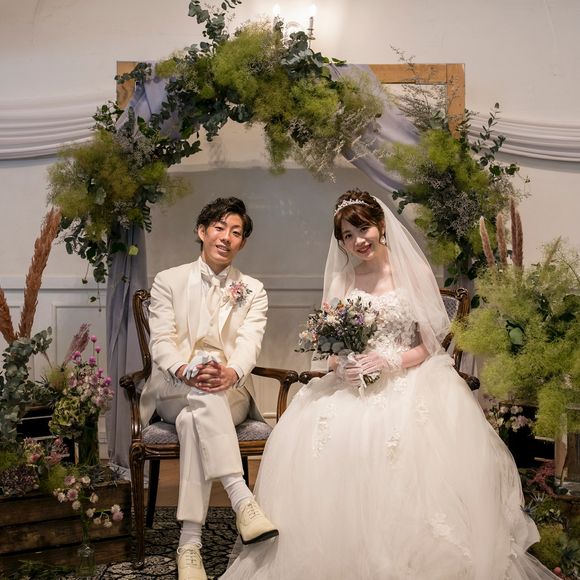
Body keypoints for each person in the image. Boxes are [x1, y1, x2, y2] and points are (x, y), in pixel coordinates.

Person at [222, 190, 558, 580]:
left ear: (381, 226)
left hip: (409, 379)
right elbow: (329, 349)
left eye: (362, 229)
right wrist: (343, 366)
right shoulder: (343, 280)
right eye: (347, 236)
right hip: (351, 384)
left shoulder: (412, 274)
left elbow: (430, 346)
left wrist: (388, 361)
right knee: (327, 433)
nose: (357, 241)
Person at [139, 197, 278, 580]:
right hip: (174, 386)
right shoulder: (168, 280)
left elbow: (249, 343)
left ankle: (189, 544)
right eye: (219, 228)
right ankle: (242, 499)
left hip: (228, 390)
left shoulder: (253, 289)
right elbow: (161, 341)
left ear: (242, 243)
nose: (226, 237)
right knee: (197, 394)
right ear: (202, 232)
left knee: (192, 419)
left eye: (236, 232)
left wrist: (231, 373)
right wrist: (186, 370)